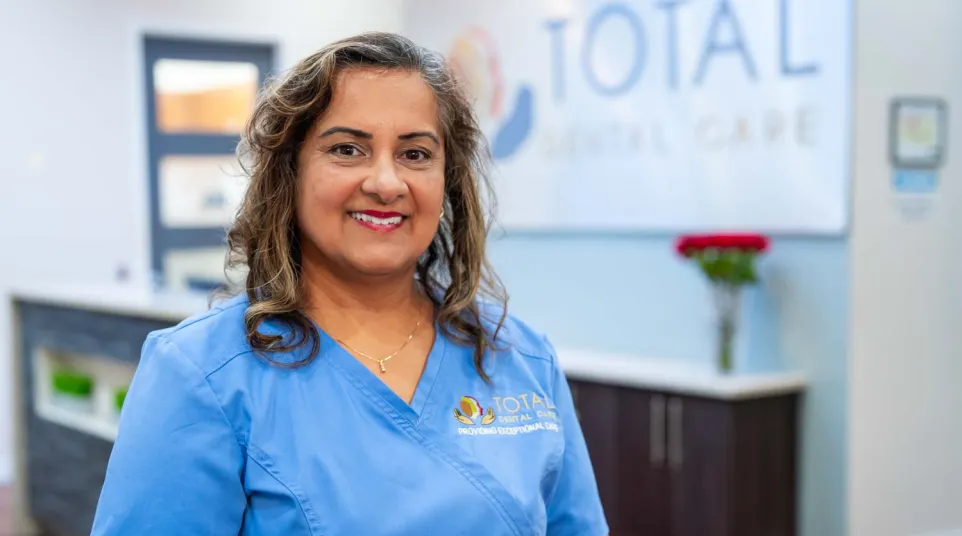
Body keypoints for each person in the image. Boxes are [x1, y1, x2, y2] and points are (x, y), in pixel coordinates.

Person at [91, 31, 609, 536]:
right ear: (289, 175)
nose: (385, 183)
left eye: (415, 154)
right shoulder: (203, 375)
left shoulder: (523, 360)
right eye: (347, 150)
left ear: (445, 182)